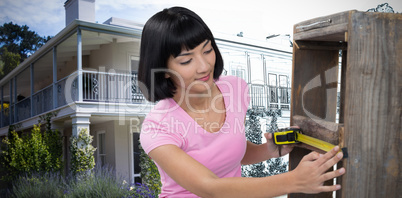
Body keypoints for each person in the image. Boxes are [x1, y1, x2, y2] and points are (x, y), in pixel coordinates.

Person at [138, 6, 345, 198]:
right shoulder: (157, 126)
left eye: (207, 50)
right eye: (186, 60)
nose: (204, 66)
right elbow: (210, 187)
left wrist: (268, 150)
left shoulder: (234, 90)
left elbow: (228, 151)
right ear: (163, 70)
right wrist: (294, 181)